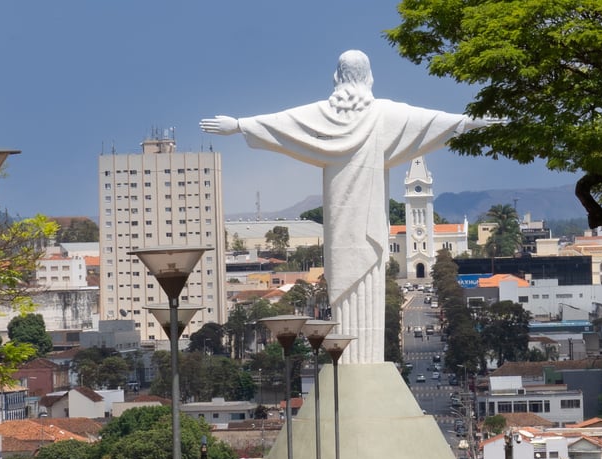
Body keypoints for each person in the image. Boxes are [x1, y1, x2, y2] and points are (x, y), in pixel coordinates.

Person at [201, 50, 485, 364]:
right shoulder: (383, 114)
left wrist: (239, 125)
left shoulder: (324, 115)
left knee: (353, 281)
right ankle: (357, 361)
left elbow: (283, 122)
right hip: (365, 223)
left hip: (341, 225)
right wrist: (472, 121)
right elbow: (431, 121)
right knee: (361, 282)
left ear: (336, 77)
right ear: (370, 77)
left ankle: (356, 361)